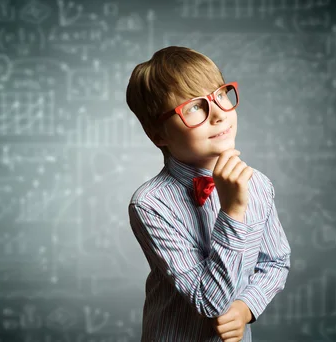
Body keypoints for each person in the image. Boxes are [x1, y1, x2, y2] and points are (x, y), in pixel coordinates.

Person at [125, 46, 291, 341]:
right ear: (158, 135)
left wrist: (245, 307)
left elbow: (275, 261)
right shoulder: (150, 204)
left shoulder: (259, 184)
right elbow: (210, 302)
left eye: (220, 95)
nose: (218, 114)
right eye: (193, 107)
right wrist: (233, 211)